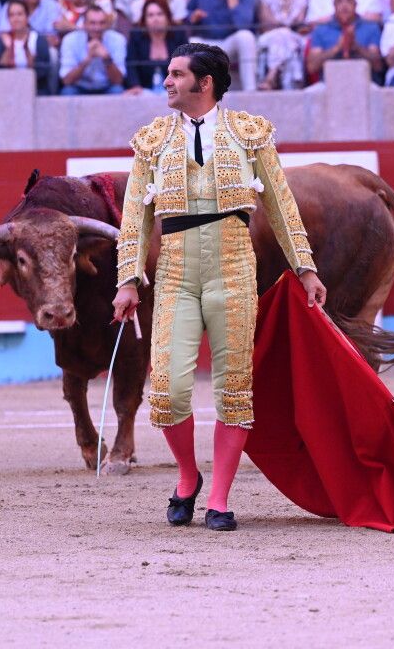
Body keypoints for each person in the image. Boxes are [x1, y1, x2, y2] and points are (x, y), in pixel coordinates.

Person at [111, 41, 326, 532]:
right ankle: (188, 478)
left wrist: (306, 267)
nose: (166, 81)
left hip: (233, 263)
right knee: (166, 389)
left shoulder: (249, 134)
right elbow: (134, 221)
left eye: (176, 74)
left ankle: (221, 499)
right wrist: (127, 281)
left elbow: (281, 204)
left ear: (204, 84)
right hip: (175, 270)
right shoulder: (151, 140)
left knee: (235, 389)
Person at [187, 0, 258, 90]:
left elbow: (243, 25)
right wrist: (193, 16)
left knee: (246, 37)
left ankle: (250, 91)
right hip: (206, 44)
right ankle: (192, 98)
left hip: (230, 44)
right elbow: (188, 11)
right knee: (190, 43)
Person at [307, 0, 384, 83]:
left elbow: (378, 66)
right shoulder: (321, 29)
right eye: (339, 1)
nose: (344, 6)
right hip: (328, 85)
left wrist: (356, 47)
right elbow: (312, 67)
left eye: (349, 1)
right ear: (334, 4)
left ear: (355, 4)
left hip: (365, 84)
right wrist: (337, 48)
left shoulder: (371, 27)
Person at [256, 0, 310, 91]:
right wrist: (287, 27)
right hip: (270, 39)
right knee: (283, 35)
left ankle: (271, 76)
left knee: (286, 36)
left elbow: (299, 27)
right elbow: (267, 26)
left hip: (293, 39)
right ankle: (292, 85)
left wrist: (285, 27)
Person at [59, 4, 127, 95]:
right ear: (84, 24)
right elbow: (66, 81)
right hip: (79, 87)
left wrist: (107, 58)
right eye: (92, 23)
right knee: (68, 92)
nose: (97, 28)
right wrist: (87, 59)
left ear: (107, 24)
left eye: (101, 23)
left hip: (106, 87)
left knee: (117, 90)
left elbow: (118, 81)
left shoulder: (117, 39)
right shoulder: (70, 40)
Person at [0, 0, 53, 94]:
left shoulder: (38, 39)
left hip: (35, 89)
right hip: (7, 89)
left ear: (27, 17)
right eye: (11, 15)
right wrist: (9, 48)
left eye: (19, 14)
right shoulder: (1, 40)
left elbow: (44, 71)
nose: (16, 19)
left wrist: (27, 51)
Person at [125, 0, 185, 93]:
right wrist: (135, 86)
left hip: (176, 91)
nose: (155, 19)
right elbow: (131, 65)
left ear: (168, 18)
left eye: (160, 14)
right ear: (144, 20)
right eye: (150, 15)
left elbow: (186, 66)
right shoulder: (136, 37)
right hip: (143, 92)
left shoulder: (178, 36)